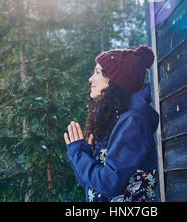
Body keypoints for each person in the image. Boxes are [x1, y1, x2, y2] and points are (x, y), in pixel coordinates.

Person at [64, 45, 159, 202]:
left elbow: (109, 184)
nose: (91, 79)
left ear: (115, 82)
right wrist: (85, 154)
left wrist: (78, 154)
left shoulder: (133, 123)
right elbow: (91, 185)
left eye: (97, 73)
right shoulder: (114, 122)